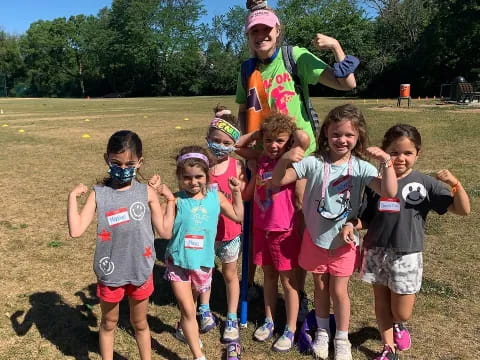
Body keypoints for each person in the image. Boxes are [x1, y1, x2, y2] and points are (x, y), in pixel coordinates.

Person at [236, 1, 359, 321]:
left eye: (267, 29)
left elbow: (347, 83)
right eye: (255, 31)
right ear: (249, 36)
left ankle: (299, 295)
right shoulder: (247, 68)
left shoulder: (295, 57)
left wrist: (336, 47)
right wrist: (245, 148)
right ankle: (257, 287)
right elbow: (243, 111)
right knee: (263, 223)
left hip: (300, 158)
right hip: (262, 158)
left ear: (278, 31)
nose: (261, 35)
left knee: (299, 224)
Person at [272, 104, 398, 360]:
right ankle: (322, 333)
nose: (342, 140)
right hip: (316, 239)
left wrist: (386, 161)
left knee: (339, 291)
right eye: (336, 134)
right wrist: (285, 159)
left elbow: (390, 192)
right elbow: (276, 182)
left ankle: (342, 338)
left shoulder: (361, 167)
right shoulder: (314, 162)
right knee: (319, 286)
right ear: (326, 135)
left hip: (343, 241)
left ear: (358, 136)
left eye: (349, 135)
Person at [357, 124, 470, 360]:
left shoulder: (425, 183)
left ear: (417, 154)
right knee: (380, 301)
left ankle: (398, 324)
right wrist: (348, 225)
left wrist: (454, 184)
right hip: (376, 249)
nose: (400, 158)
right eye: (394, 152)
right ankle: (389, 349)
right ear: (385, 152)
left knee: (401, 312)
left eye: (407, 153)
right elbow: (366, 219)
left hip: (406, 254)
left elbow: (463, 210)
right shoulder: (374, 182)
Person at [67, 130, 175, 360]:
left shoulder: (147, 193)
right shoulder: (99, 194)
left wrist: (171, 200)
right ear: (107, 159)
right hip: (110, 274)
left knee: (140, 324)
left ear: (140, 163)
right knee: (108, 323)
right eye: (116, 162)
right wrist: (71, 198)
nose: (123, 168)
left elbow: (165, 231)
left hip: (141, 271)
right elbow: (76, 230)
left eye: (129, 163)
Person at [150, 146, 244, 360]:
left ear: (207, 175)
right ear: (178, 177)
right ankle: (198, 355)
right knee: (188, 310)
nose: (193, 182)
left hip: (202, 264)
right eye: (187, 178)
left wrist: (237, 192)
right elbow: (164, 232)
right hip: (178, 263)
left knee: (191, 305)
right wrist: (162, 200)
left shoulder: (215, 196)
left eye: (198, 177)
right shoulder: (177, 200)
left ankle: (185, 330)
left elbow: (238, 216)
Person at [183, 105, 246, 343]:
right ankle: (204, 308)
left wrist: (237, 190)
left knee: (230, 274)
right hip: (204, 233)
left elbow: (241, 198)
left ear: (234, 145)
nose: (219, 145)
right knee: (204, 272)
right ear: (207, 139)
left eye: (226, 142)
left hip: (230, 232)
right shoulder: (200, 168)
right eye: (215, 140)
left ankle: (231, 316)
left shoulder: (237, 167)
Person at [242, 113, 302, 352]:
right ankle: (268, 319)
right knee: (268, 276)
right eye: (269, 140)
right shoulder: (260, 158)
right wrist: (257, 135)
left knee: (288, 282)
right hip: (261, 228)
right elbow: (238, 147)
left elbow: (303, 141)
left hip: (283, 230)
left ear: (289, 142)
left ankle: (290, 327)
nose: (273, 145)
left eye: (280, 140)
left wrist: (288, 153)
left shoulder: (293, 163)